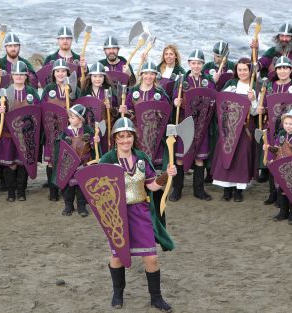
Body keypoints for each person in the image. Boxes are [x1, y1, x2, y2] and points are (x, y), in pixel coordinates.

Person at [100, 117, 175, 312]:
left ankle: (156, 298)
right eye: (121, 137)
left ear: (134, 137)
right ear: (115, 138)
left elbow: (150, 185)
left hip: (140, 212)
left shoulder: (141, 157)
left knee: (151, 258)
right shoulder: (108, 159)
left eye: (129, 136)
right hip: (117, 215)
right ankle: (117, 293)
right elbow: (98, 191)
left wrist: (167, 175)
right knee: (117, 257)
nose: (125, 140)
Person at [170, 49, 215, 202]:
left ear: (203, 64)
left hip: (202, 125)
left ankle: (199, 189)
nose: (196, 66)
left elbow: (213, 99)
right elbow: (175, 96)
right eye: (193, 63)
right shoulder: (182, 81)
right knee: (181, 158)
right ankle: (177, 189)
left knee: (199, 159)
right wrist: (176, 102)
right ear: (189, 64)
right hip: (185, 123)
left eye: (199, 63)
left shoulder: (208, 81)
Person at [213, 58, 257, 202]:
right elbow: (221, 103)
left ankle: (238, 190)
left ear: (250, 71)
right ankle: (227, 189)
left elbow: (257, 112)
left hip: (245, 126)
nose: (242, 72)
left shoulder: (255, 86)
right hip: (229, 126)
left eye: (245, 69)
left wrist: (253, 100)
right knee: (227, 154)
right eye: (240, 69)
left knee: (241, 157)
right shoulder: (230, 84)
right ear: (236, 71)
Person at [0, 61, 39, 202]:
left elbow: (38, 111)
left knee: (23, 162)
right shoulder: (5, 91)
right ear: (12, 75)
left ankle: (21, 191)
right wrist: (0, 110)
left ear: (26, 76)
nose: (19, 77)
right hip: (9, 134)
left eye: (22, 74)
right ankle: (11, 192)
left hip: (26, 135)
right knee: (11, 163)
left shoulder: (31, 92)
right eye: (16, 74)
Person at [41, 59, 81, 201]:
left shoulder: (74, 88)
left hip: (69, 129)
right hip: (52, 129)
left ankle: (66, 190)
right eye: (57, 71)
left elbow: (80, 110)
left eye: (63, 71)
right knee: (52, 160)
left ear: (67, 73)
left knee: (67, 159)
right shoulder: (48, 89)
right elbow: (43, 110)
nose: (60, 73)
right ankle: (53, 191)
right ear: (53, 73)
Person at [54, 104, 99, 217]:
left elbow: (94, 147)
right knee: (68, 187)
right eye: (69, 117)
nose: (70, 119)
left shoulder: (87, 130)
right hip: (69, 164)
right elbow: (59, 145)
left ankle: (81, 207)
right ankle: (68, 206)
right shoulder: (65, 132)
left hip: (84, 163)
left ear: (80, 119)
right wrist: (64, 142)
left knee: (82, 187)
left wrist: (94, 141)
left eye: (73, 117)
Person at [264, 109, 292, 224]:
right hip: (281, 167)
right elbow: (277, 150)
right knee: (281, 188)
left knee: (291, 190)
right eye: (286, 123)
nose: (288, 126)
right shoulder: (281, 134)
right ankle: (283, 212)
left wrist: (291, 148)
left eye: (291, 124)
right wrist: (268, 148)